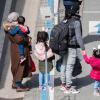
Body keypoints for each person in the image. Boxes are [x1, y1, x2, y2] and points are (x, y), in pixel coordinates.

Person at [3, 12, 32, 92]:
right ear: (15, 20)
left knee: (15, 66)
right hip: (19, 51)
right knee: (20, 67)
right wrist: (27, 39)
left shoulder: (9, 28)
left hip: (14, 49)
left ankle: (15, 83)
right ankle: (19, 86)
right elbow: (20, 39)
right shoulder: (17, 28)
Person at [60, 3, 85, 94]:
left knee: (64, 64)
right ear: (77, 11)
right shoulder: (76, 21)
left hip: (63, 46)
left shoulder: (65, 19)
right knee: (69, 67)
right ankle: (68, 87)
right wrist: (83, 48)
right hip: (72, 47)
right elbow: (78, 37)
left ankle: (63, 84)